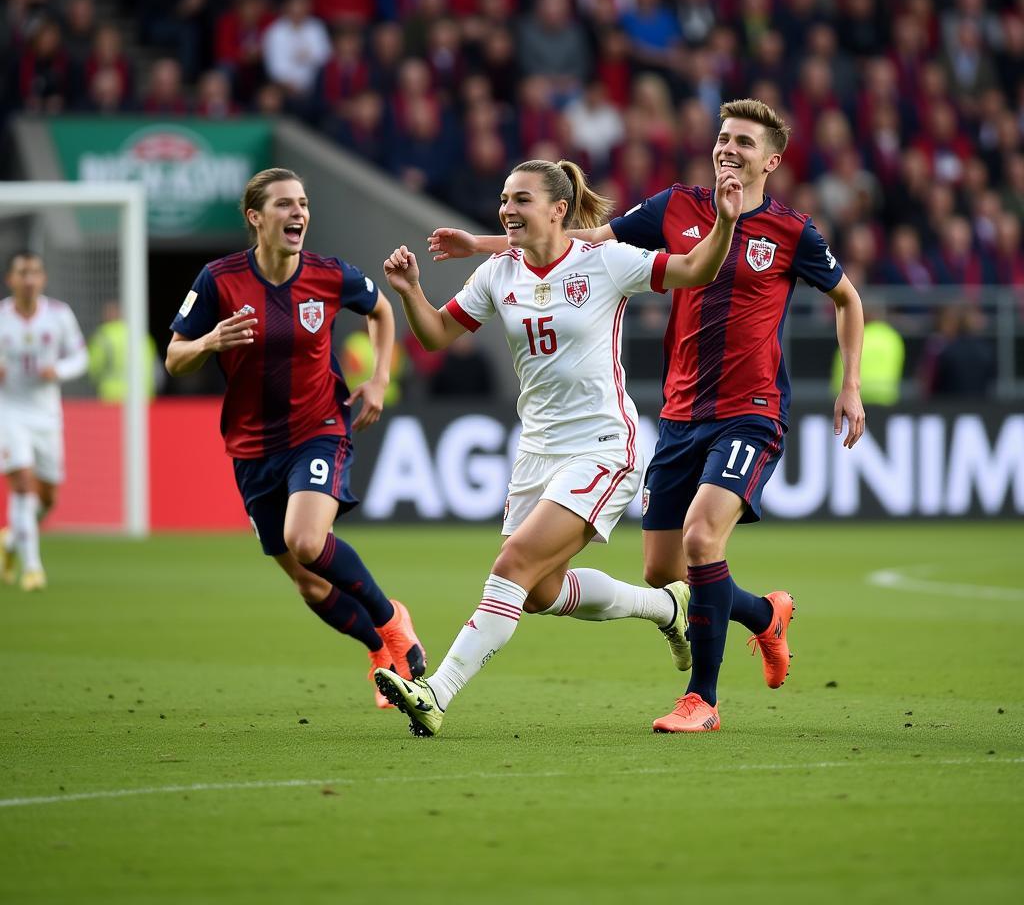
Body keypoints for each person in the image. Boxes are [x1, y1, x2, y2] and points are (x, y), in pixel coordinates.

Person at [429, 99, 866, 733]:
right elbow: (572, 240)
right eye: (723, 138)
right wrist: (482, 243)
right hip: (681, 411)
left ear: (770, 160)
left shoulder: (793, 232)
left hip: (751, 410)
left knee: (701, 539)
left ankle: (703, 700)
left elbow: (847, 301)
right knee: (666, 575)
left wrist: (849, 384)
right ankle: (765, 615)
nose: (728, 149)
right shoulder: (674, 208)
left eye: (744, 142)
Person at [375, 156, 743, 737]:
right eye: (503, 199)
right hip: (537, 451)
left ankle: (435, 693)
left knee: (512, 566)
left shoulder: (605, 263)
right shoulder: (499, 272)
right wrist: (411, 292)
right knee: (540, 592)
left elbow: (697, 268)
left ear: (558, 209)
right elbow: (437, 333)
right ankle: (667, 609)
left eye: (520, 199)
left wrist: (725, 222)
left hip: (602, 445)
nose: (506, 209)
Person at [165, 167, 425, 709]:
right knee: (308, 582)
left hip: (318, 428)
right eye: (285, 205)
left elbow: (379, 308)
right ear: (255, 218)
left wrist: (378, 378)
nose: (299, 213)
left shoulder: (329, 275)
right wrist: (211, 340)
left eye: (303, 203)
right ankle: (379, 648)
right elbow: (175, 358)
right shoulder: (219, 279)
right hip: (250, 448)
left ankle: (391, 621)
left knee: (308, 540)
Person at [0, 251, 88, 590]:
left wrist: (60, 370)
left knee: (47, 497)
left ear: (43, 279)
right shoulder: (2, 317)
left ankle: (10, 543)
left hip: (46, 415)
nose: (29, 279)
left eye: (34, 272)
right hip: (9, 412)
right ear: (11, 280)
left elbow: (80, 355)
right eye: (22, 272)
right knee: (22, 482)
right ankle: (33, 568)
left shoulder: (58, 315)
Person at [87, 300, 160, 402]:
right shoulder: (143, 335)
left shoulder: (103, 335)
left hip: (113, 397)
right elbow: (156, 370)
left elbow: (93, 367)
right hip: (144, 396)